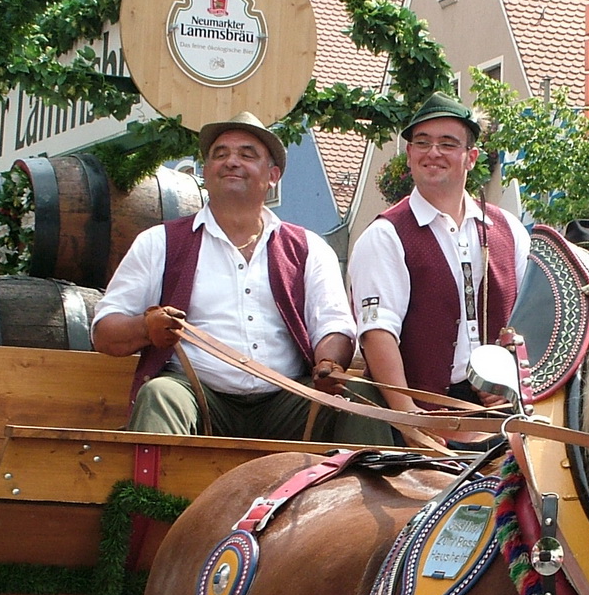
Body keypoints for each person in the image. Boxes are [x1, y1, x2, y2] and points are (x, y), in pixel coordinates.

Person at [92, 111, 391, 444]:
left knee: (361, 400)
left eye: (247, 155)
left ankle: (376, 497)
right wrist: (146, 329)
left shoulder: (309, 248)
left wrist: (328, 362)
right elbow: (105, 333)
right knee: (160, 394)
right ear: (205, 173)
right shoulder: (158, 242)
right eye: (220, 154)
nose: (231, 161)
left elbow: (335, 326)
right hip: (197, 399)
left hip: (288, 402)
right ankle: (146, 496)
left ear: (273, 175)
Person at [348, 93, 531, 432]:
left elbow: (525, 320)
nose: (433, 153)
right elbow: (377, 333)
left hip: (501, 417)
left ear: (471, 157)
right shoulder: (386, 235)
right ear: (409, 154)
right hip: (417, 415)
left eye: (448, 144)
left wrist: (510, 379)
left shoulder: (509, 231)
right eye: (422, 143)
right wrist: (408, 417)